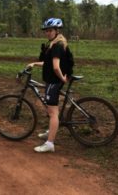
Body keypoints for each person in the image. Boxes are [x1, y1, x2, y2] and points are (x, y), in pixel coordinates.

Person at [27, 17, 68, 153]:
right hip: (53, 80)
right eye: (46, 31)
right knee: (51, 110)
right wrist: (34, 63)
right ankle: (51, 131)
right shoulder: (55, 44)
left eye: (50, 31)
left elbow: (56, 67)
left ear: (56, 31)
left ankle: (50, 143)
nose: (47, 33)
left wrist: (62, 78)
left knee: (52, 113)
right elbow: (48, 63)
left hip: (54, 81)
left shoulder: (57, 46)